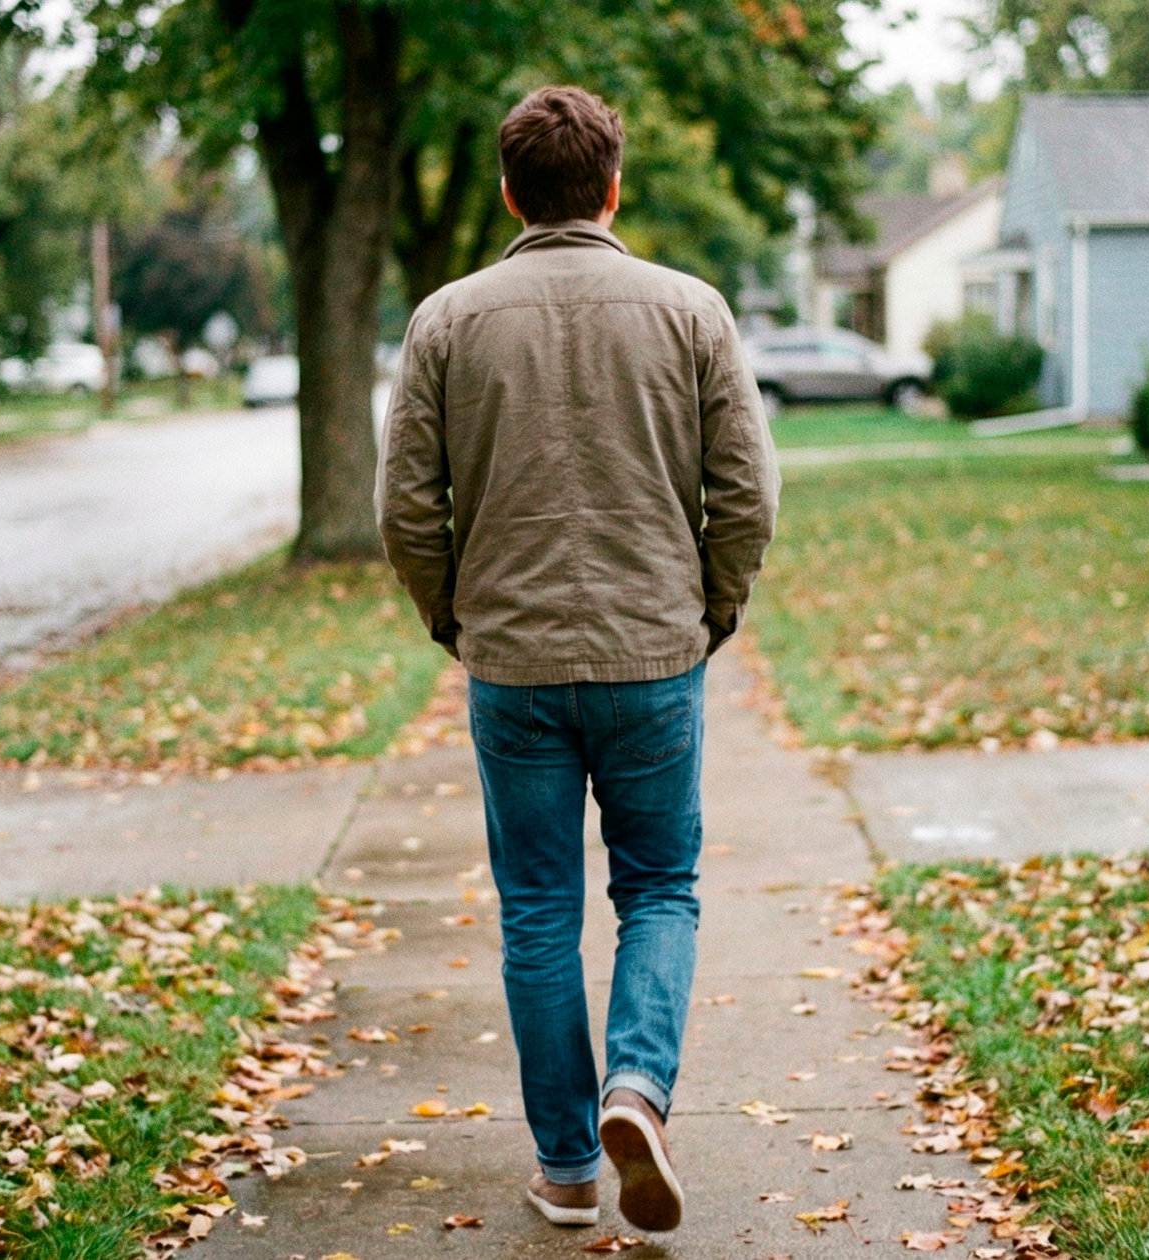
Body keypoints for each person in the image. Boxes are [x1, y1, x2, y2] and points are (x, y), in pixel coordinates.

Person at [375, 84, 779, 1233]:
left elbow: (405, 508)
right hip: (654, 655)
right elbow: (746, 494)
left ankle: (563, 1167)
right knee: (658, 887)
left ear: (509, 191)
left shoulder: (446, 320)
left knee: (538, 910)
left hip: (512, 664)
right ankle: (638, 1089)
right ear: (612, 187)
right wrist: (709, 610)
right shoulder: (690, 310)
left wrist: (453, 617)